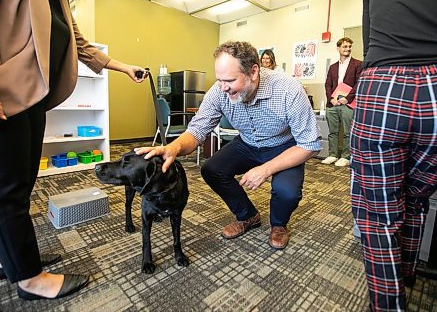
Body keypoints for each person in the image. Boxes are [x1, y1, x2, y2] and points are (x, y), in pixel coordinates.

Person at [0, 0, 147, 300]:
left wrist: (123, 67)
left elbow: (78, 41)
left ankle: (7, 260)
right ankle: (30, 279)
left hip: (26, 95)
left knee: (18, 186)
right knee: (3, 192)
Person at [136, 41, 322, 250]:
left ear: (253, 72)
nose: (223, 87)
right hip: (248, 143)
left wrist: (265, 169)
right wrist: (174, 147)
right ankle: (248, 216)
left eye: (230, 80)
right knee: (211, 169)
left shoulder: (289, 89)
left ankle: (279, 224)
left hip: (284, 146)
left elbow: (310, 144)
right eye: (219, 80)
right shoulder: (220, 91)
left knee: (287, 191)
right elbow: (197, 130)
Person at [351, 0, 437, 311]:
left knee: (378, 213)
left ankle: (389, 302)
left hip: (382, 85)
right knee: (414, 198)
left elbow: (369, 44)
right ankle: (408, 271)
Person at [322, 37, 362, 167]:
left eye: (349, 46)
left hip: (347, 104)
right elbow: (328, 84)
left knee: (347, 132)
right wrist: (331, 99)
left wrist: (347, 98)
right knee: (333, 132)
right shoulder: (333, 67)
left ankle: (345, 156)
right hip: (333, 104)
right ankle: (332, 155)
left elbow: (358, 83)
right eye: (345, 46)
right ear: (338, 48)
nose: (348, 49)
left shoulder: (357, 64)